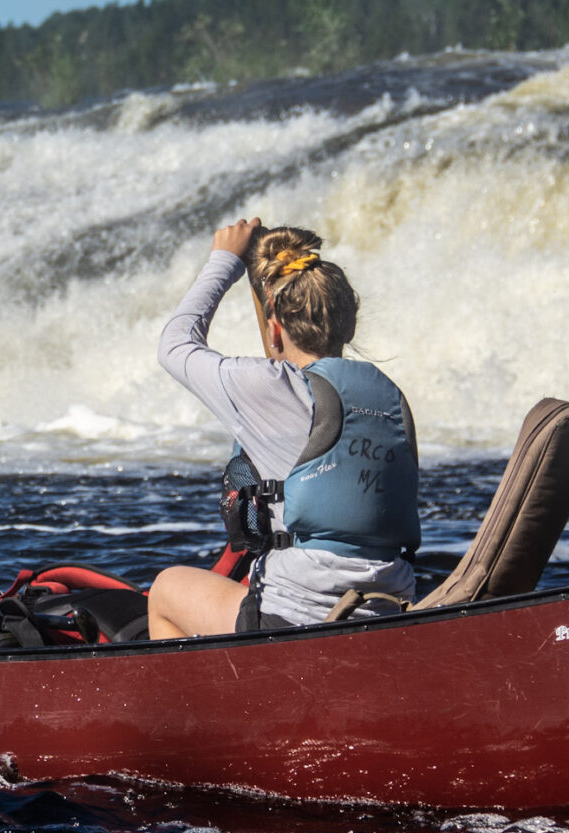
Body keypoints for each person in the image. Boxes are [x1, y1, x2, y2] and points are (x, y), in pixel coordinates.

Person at [145, 217, 419, 639]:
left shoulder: (265, 385)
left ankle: (201, 703)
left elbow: (175, 345)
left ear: (274, 329)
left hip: (295, 615)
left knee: (166, 591)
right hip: (389, 607)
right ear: (350, 324)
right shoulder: (389, 400)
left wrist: (226, 260)